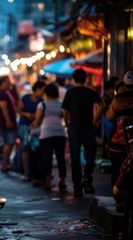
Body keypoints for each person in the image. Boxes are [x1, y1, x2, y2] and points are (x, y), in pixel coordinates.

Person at [61, 68, 105, 197]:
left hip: (74, 129)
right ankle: (87, 178)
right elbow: (102, 106)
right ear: (85, 79)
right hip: (88, 128)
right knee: (90, 155)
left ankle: (77, 187)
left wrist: (68, 124)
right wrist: (95, 120)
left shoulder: (70, 93)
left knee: (75, 158)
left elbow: (65, 111)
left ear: (74, 79)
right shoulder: (91, 92)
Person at [32, 83, 67, 191]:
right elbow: (64, 118)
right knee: (60, 157)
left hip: (46, 134)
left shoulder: (42, 105)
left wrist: (33, 125)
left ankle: (47, 182)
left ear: (46, 93)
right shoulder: (61, 104)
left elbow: (38, 121)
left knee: (46, 158)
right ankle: (62, 181)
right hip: (60, 133)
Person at [106, 71, 133, 201]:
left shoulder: (117, 100)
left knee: (116, 171)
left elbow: (109, 117)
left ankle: (118, 201)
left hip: (119, 145)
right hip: (130, 146)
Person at [13, 80, 46, 181]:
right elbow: (18, 111)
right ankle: (26, 172)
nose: (43, 92)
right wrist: (27, 115)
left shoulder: (41, 101)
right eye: (43, 90)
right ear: (37, 89)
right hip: (24, 126)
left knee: (35, 148)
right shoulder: (25, 98)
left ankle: (34, 172)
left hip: (36, 127)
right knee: (25, 147)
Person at [0, 76, 18, 172]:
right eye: (8, 82)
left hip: (8, 122)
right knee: (8, 142)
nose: (10, 84)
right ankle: (4, 165)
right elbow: (4, 108)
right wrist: (8, 120)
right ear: (3, 83)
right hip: (6, 123)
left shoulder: (5, 92)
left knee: (10, 143)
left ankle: (6, 163)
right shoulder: (2, 94)